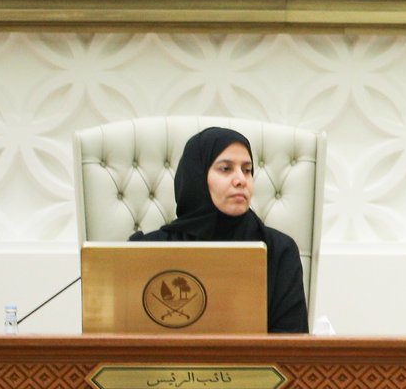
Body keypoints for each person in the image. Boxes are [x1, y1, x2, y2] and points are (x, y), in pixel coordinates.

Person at [131, 125, 307, 334]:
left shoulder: (279, 251)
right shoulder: (146, 251)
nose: (241, 180)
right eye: (226, 169)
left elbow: (292, 346)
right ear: (196, 177)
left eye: (247, 170)